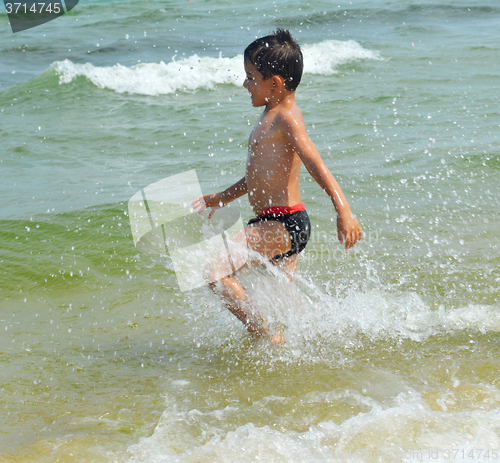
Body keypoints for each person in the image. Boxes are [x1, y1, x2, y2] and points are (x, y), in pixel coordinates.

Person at [192, 29, 362, 341]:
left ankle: (263, 334)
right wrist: (221, 198)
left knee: (214, 272)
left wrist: (344, 211)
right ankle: (321, 338)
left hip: (283, 222)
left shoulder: (287, 118)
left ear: (276, 83)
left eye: (251, 77)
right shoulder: (270, 117)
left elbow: (315, 163)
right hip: (279, 223)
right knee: (285, 304)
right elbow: (256, 178)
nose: (245, 84)